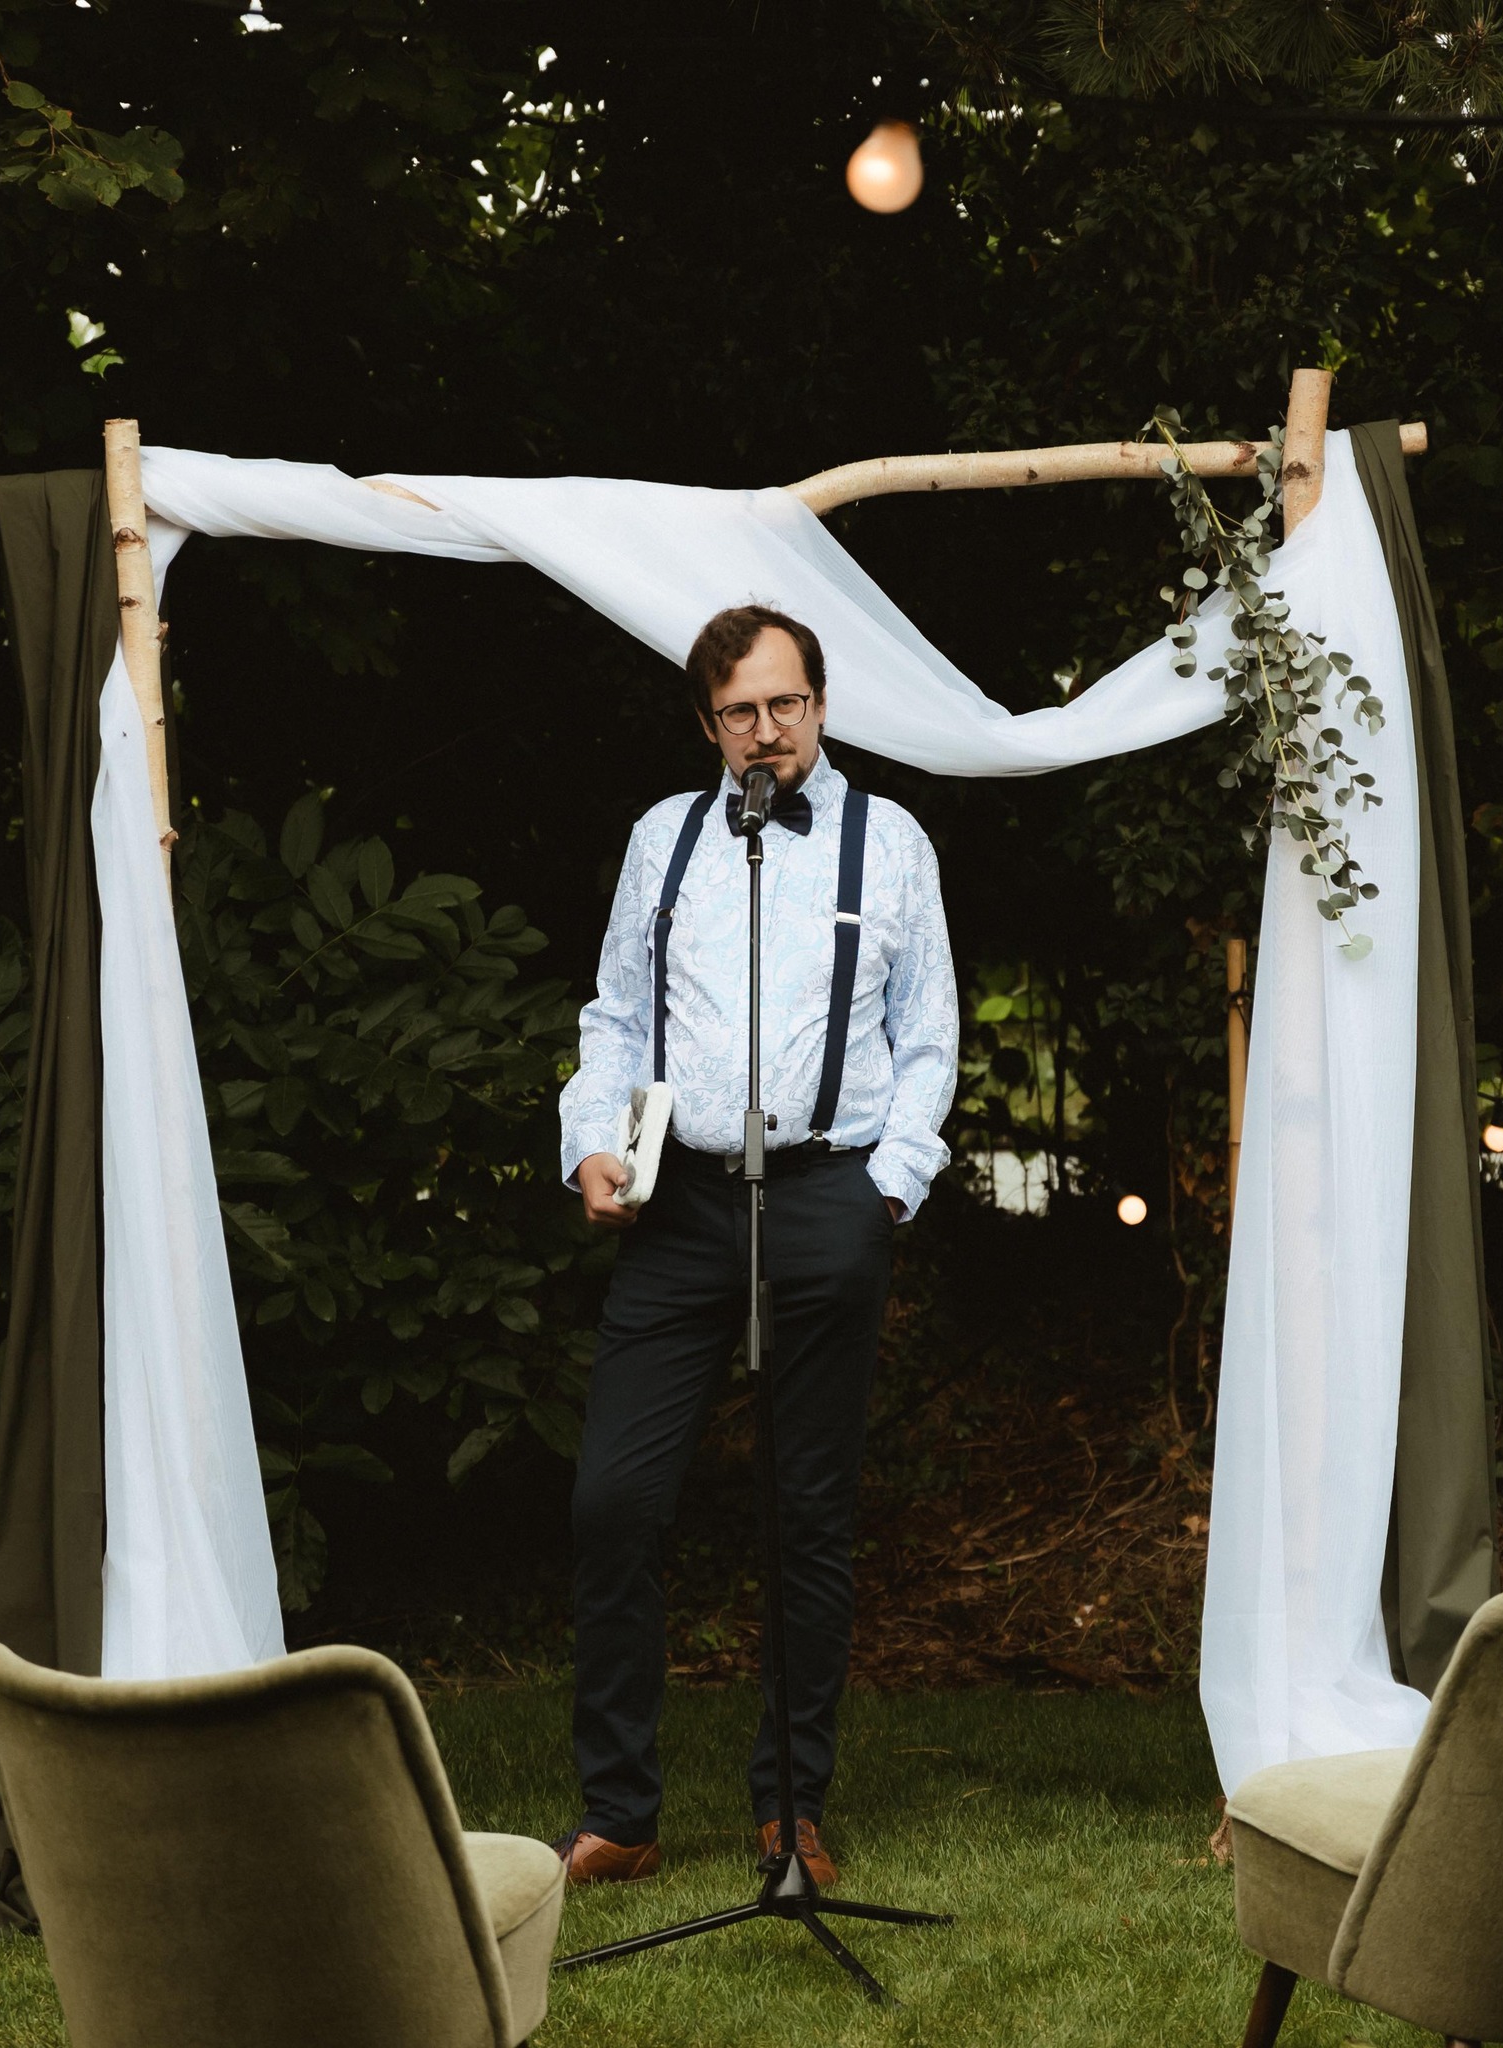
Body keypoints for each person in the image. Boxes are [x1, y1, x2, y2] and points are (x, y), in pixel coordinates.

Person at [555, 604, 957, 1886]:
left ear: (822, 705)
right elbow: (617, 1015)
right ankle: (621, 1811)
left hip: (830, 1194)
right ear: (708, 724)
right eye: (741, 712)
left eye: (786, 704)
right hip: (682, 1208)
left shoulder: (889, 843)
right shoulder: (660, 841)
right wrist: (591, 1140)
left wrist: (888, 1186)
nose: (767, 732)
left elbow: (929, 1033)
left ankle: (791, 1807)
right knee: (612, 1499)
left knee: (807, 1513)